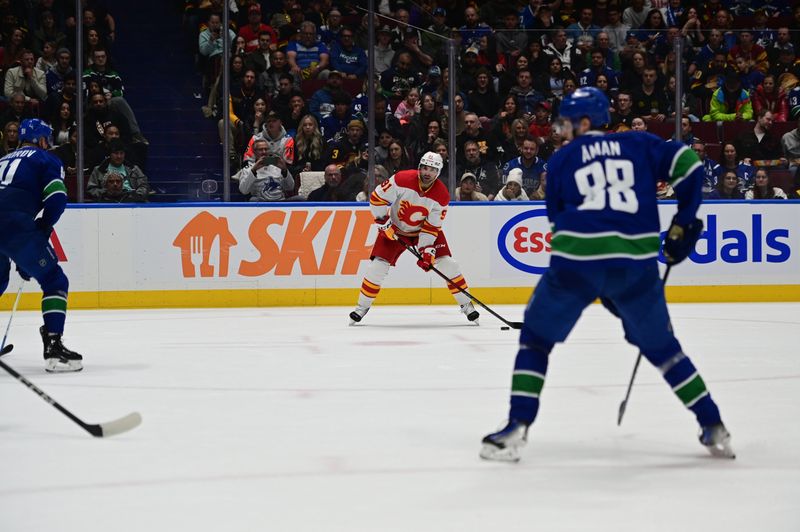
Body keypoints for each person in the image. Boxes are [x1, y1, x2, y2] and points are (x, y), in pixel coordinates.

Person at [480, 87, 733, 462]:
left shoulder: (563, 160)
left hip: (576, 264)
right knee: (664, 349)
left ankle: (516, 427)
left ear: (584, 123)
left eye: (567, 122)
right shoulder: (640, 143)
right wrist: (684, 220)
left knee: (535, 340)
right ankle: (713, 425)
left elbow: (557, 221)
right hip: (636, 267)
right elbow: (690, 166)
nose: (563, 130)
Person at [349, 152, 480, 325]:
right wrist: (383, 221)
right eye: (424, 168)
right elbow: (376, 199)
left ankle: (466, 305)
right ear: (419, 167)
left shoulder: (442, 195)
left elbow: (432, 227)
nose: (427, 172)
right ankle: (362, 307)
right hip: (395, 228)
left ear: (438, 172)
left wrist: (427, 251)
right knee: (377, 267)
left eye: (432, 169)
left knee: (449, 264)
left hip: (423, 232)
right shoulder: (402, 179)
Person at [0, 119, 83, 372]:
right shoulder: (45, 160)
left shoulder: (3, 160)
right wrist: (42, 231)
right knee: (54, 280)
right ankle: (54, 348)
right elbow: (57, 198)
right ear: (42, 140)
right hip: (15, 225)